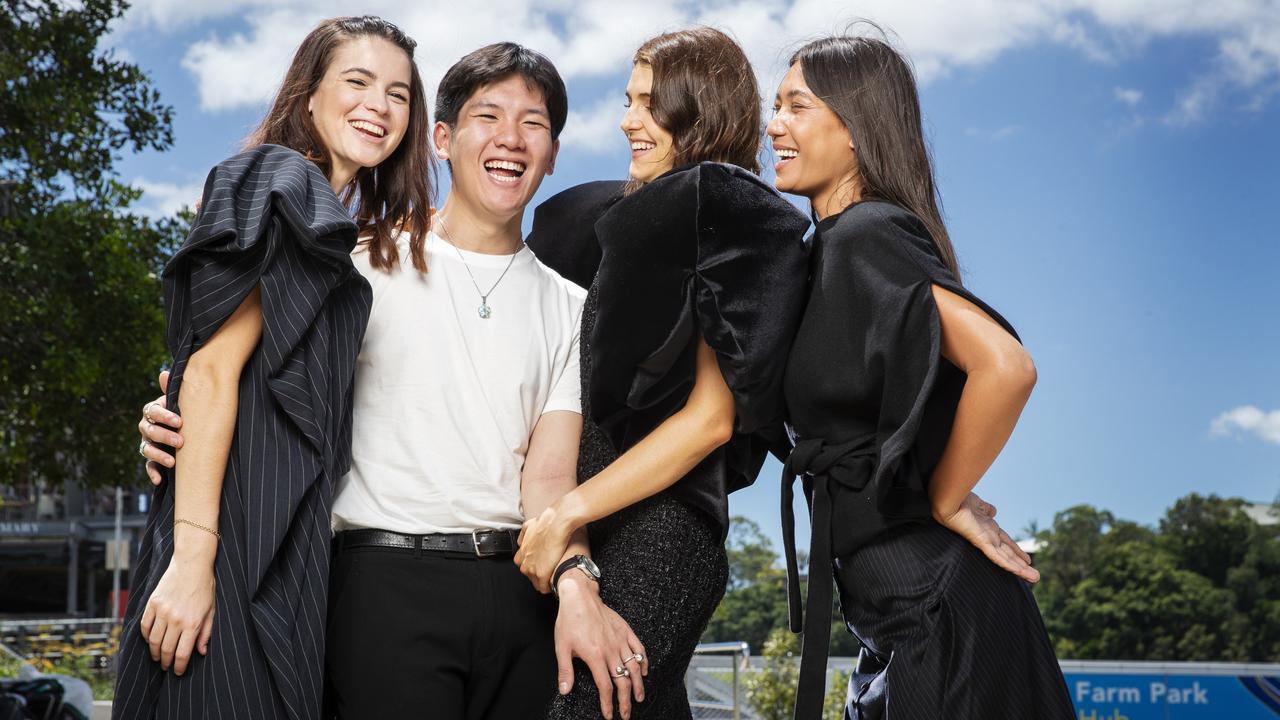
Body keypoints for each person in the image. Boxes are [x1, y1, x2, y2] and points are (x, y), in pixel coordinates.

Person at [135, 42, 646, 720]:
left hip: (521, 593)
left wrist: (579, 589)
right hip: (382, 586)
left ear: (552, 153)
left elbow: (549, 483)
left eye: (533, 124)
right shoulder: (356, 268)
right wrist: (169, 418)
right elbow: (240, 386)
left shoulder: (572, 307)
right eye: (487, 116)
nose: (510, 139)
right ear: (440, 138)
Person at [115, 15, 431, 720]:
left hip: (279, 549)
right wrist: (195, 560)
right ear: (307, 96)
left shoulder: (331, 224)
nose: (379, 106)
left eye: (399, 94)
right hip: (231, 548)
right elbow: (209, 374)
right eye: (357, 82)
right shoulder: (280, 180)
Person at [768, 35, 1076, 719]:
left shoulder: (865, 235)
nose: (774, 124)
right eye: (774, 106)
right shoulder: (824, 249)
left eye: (796, 106)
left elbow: (1007, 367)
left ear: (856, 129)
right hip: (893, 613)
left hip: (938, 608)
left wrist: (945, 496)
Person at [520, 27, 809, 718]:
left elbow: (711, 421)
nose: (626, 120)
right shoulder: (592, 216)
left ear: (700, 107)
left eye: (649, 103)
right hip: (578, 529)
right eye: (627, 100)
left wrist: (567, 513)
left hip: (661, 531)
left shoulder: (723, 210)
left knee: (591, 707)